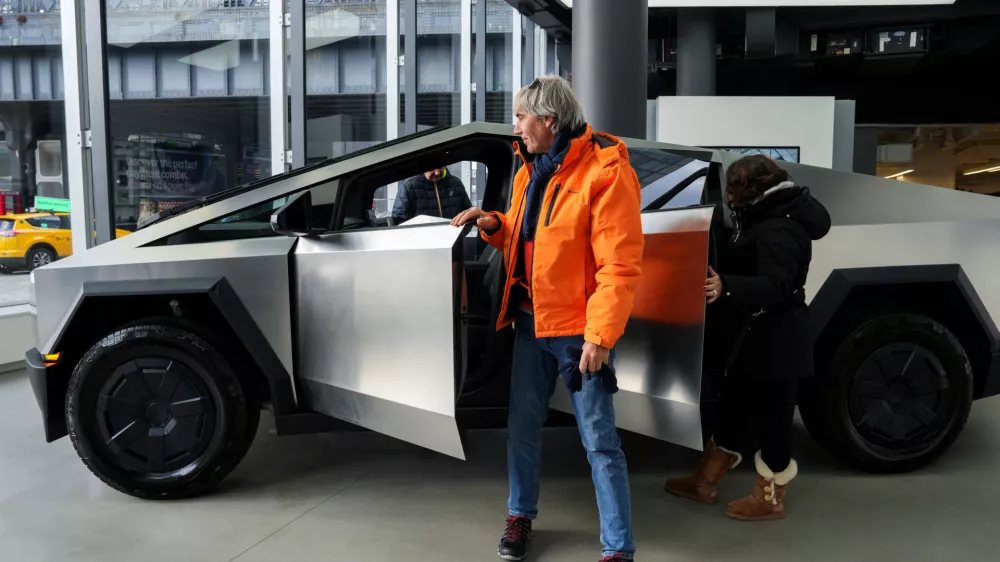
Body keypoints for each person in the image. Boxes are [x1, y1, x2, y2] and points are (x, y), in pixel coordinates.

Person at [452, 75, 643, 562]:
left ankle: (618, 549)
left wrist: (600, 337)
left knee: (600, 442)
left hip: (578, 335)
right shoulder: (530, 171)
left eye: (521, 117)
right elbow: (528, 239)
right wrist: (493, 224)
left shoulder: (606, 172)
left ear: (550, 121)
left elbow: (619, 266)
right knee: (521, 430)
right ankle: (520, 515)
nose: (515, 127)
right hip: (528, 324)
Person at [664, 154, 831, 521]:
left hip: (778, 341)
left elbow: (777, 286)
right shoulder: (769, 215)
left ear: (751, 191)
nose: (728, 198)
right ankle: (704, 482)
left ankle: (769, 499)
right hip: (756, 338)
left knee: (774, 423)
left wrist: (726, 285)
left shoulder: (779, 227)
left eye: (733, 191)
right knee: (733, 408)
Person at [391, 166, 472, 223]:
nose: (437, 172)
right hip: (421, 241)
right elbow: (399, 220)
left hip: (454, 240)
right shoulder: (409, 186)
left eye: (440, 167)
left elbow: (468, 215)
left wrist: (459, 235)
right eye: (432, 168)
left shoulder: (456, 184)